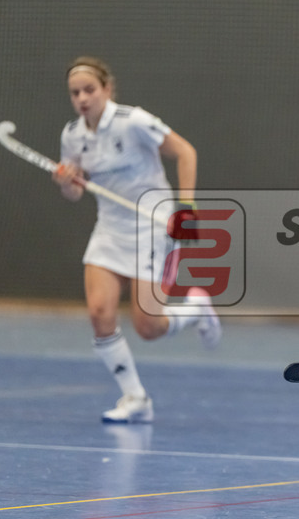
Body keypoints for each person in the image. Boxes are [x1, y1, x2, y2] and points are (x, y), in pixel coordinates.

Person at [52, 56, 221, 424]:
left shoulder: (134, 122)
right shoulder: (72, 136)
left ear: (107, 89)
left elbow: (185, 151)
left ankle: (194, 310)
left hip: (151, 227)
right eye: (75, 93)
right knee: (100, 315)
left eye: (89, 90)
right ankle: (135, 398)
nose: (82, 98)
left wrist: (186, 208)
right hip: (110, 230)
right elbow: (75, 195)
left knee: (148, 328)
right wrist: (68, 183)